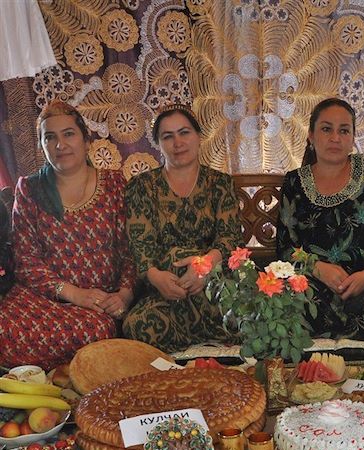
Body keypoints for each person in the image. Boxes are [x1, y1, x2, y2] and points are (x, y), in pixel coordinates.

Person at [0, 101, 136, 370]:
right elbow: (26, 260)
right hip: (44, 298)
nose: (60, 145)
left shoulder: (114, 183)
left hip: (100, 303)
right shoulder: (30, 189)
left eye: (68, 134)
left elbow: (130, 248)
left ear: (86, 140)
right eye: (50, 138)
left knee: (97, 333)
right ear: (42, 147)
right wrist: (73, 293)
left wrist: (125, 294)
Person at [276, 98, 364, 340]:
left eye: (344, 131)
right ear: (310, 135)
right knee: (291, 309)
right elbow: (287, 248)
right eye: (327, 129)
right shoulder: (295, 182)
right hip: (314, 283)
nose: (335, 138)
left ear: (352, 139)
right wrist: (318, 269)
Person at [124, 104, 241, 352]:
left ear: (198, 137)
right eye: (168, 136)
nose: (178, 142)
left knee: (244, 312)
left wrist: (204, 266)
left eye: (184, 132)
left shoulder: (220, 183)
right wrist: (156, 277)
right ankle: (208, 334)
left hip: (211, 284)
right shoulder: (142, 186)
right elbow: (139, 244)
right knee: (138, 325)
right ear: (158, 144)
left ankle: (192, 333)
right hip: (163, 288)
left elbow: (229, 238)